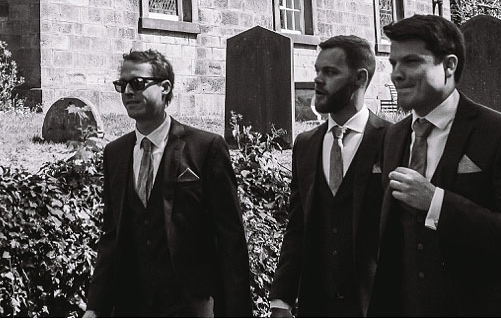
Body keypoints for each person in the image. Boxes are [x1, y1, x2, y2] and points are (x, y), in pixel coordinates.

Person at [368, 14, 501, 317]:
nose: (396, 74)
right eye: (393, 63)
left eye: (410, 62)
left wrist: (436, 202)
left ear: (449, 66)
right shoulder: (393, 137)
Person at [84, 49, 251, 318]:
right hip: (132, 305)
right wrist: (95, 306)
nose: (128, 92)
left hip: (190, 304)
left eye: (137, 83)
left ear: (165, 88)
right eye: (122, 85)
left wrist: (236, 312)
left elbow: (230, 238)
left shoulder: (204, 148)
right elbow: (112, 236)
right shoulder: (115, 153)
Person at [270, 34, 388, 318]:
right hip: (317, 307)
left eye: (331, 72)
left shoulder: (393, 140)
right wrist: (281, 301)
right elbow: (298, 225)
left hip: (376, 306)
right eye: (317, 71)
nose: (318, 80)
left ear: (360, 78)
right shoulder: (306, 144)